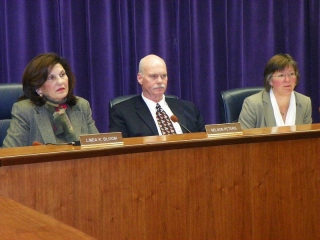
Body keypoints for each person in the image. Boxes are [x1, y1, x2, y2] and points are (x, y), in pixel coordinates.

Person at [3, 53, 99, 147]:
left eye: (62, 75)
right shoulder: (25, 111)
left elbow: (98, 147)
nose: (60, 82)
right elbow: (8, 154)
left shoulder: (81, 105)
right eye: (51, 78)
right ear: (38, 88)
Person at [109, 54, 205, 137]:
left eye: (163, 76)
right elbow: (119, 151)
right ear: (140, 78)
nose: (159, 81)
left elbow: (204, 141)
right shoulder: (122, 112)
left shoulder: (188, 108)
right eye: (153, 76)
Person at [239, 53, 312, 129]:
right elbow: (243, 139)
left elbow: (308, 138)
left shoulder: (305, 102)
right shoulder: (253, 104)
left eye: (291, 74)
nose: (287, 80)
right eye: (281, 75)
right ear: (270, 80)